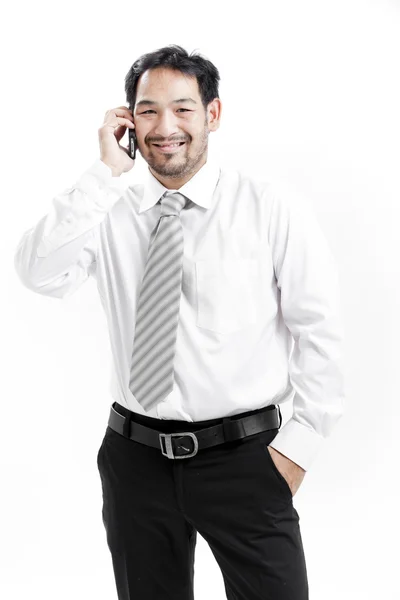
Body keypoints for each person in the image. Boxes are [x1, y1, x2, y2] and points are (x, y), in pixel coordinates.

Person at [14, 44, 345, 600]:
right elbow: (37, 273)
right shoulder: (105, 209)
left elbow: (321, 335)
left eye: (183, 109)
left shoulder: (269, 207)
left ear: (212, 114)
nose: (165, 127)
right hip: (134, 460)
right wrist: (103, 172)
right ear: (128, 120)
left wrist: (296, 452)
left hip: (245, 459)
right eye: (148, 110)